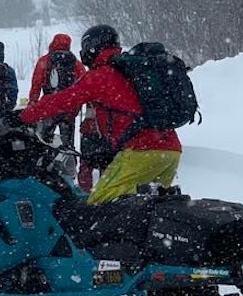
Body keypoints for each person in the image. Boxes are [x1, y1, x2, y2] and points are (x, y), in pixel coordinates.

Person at [19, 24, 181, 205]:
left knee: (100, 203)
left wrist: (23, 116)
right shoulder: (127, 69)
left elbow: (63, 100)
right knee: (147, 206)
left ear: (92, 47)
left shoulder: (101, 75)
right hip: (170, 149)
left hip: (141, 149)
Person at [28, 32, 86, 157]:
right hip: (68, 108)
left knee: (43, 142)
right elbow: (83, 86)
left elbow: (36, 84)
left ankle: (44, 166)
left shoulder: (45, 61)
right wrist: (77, 107)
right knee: (67, 144)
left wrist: (33, 103)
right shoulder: (75, 63)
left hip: (48, 107)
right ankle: (68, 167)